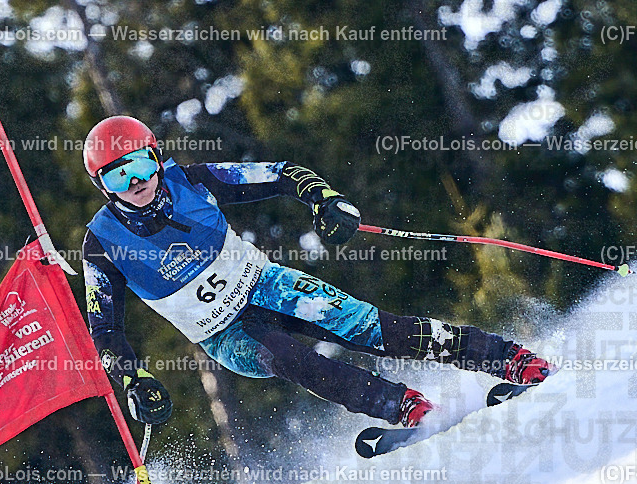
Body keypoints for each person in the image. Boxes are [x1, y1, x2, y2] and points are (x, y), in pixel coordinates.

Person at [80, 116, 551, 429]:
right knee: (290, 357)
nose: (136, 182)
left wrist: (326, 199)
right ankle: (401, 406)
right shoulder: (101, 244)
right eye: (117, 176)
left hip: (267, 285)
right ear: (102, 186)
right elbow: (104, 328)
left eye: (139, 165)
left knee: (368, 326)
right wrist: (131, 379)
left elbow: (284, 173)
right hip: (224, 334)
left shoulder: (194, 181)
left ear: (156, 158)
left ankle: (506, 358)